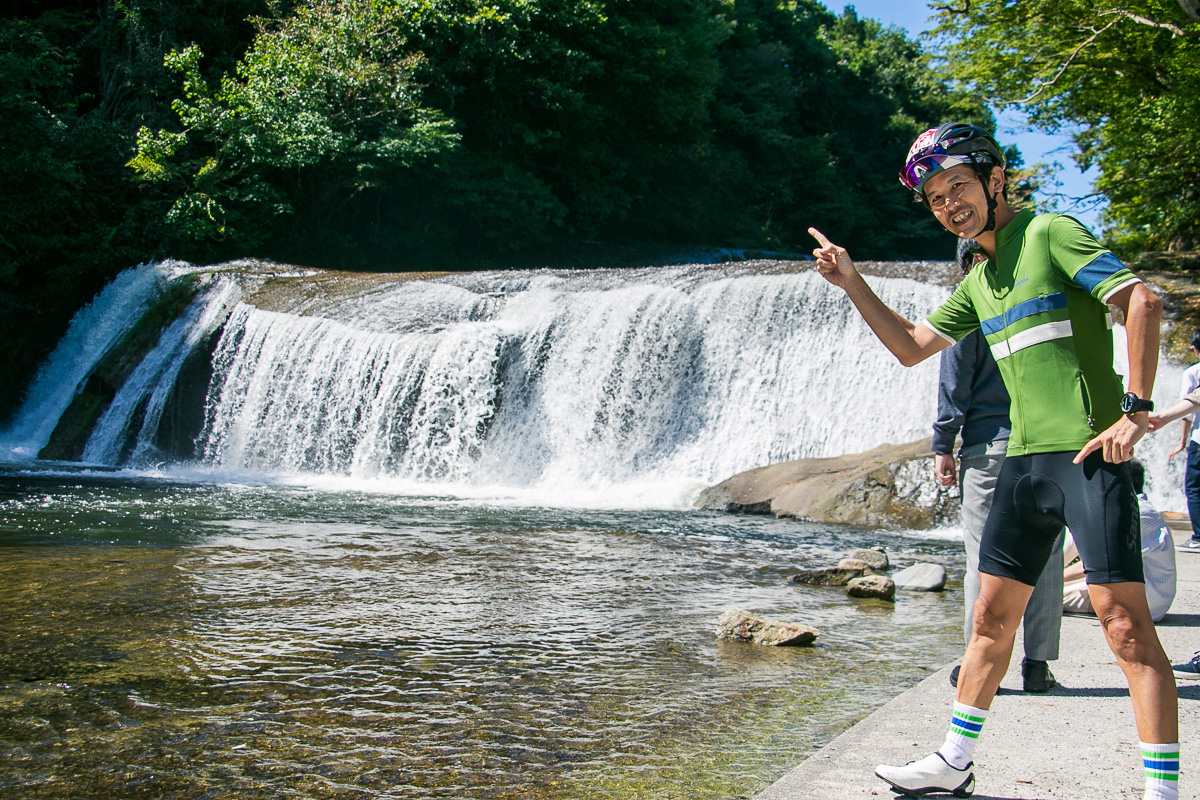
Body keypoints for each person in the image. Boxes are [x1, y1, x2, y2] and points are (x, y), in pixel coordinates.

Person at [809, 122, 1178, 800]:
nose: (950, 202)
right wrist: (853, 281)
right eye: (936, 196)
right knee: (988, 621)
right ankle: (954, 762)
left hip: (1090, 459)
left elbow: (1142, 301)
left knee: (1124, 628)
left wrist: (1135, 409)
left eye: (960, 186)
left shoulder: (1050, 233)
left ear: (995, 178)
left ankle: (1162, 792)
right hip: (1022, 465)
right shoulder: (977, 280)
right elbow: (912, 346)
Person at [933, 237, 1061, 693]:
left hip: (990, 448)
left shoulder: (966, 308)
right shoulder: (1040, 302)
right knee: (1043, 559)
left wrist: (942, 443)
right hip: (1047, 446)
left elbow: (955, 386)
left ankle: (977, 662)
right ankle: (1037, 665)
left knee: (983, 559)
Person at [1062, 460, 1176, 622]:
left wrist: (1057, 577)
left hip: (1143, 603)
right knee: (1080, 528)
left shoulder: (1137, 513)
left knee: (1046, 596)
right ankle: (1044, 574)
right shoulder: (1136, 508)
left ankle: (1042, 579)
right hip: (1135, 590)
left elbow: (1102, 562)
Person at [1148, 329, 1200, 552]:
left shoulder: (1192, 372)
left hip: (1198, 439)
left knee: (1195, 488)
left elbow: (1191, 405)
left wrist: (1180, 436)